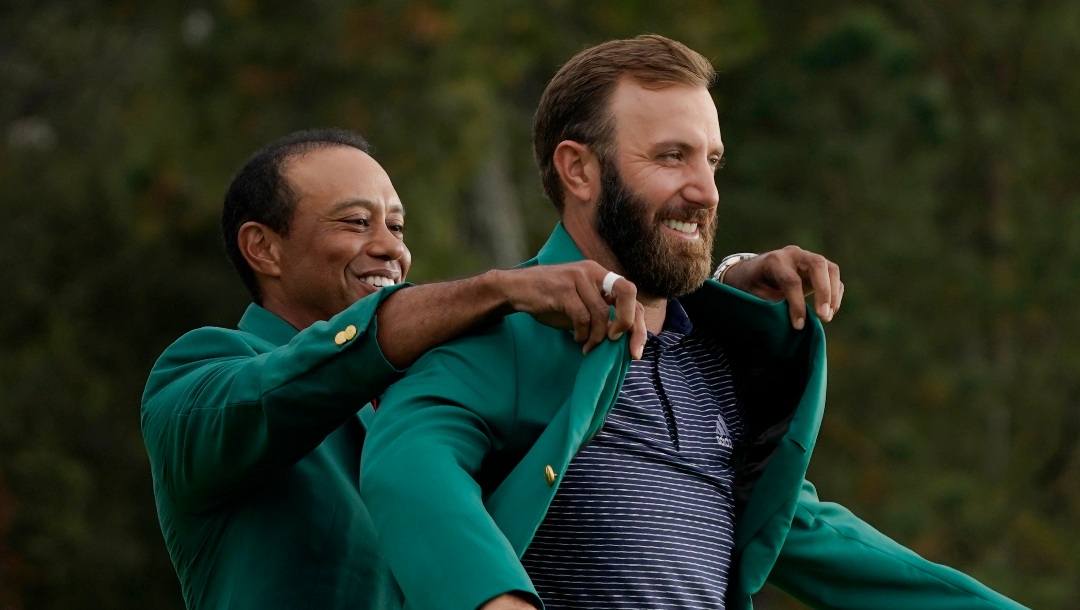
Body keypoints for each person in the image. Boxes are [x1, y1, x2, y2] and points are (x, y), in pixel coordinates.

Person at [359, 35, 1027, 610]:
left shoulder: (715, 358)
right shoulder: (501, 335)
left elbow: (809, 533)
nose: (705, 191)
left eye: (712, 161)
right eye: (671, 157)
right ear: (579, 170)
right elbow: (405, 468)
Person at [140, 128, 839, 610]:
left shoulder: (441, 390)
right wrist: (497, 289)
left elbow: (624, 450)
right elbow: (283, 390)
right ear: (263, 248)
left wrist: (720, 296)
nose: (390, 250)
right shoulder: (203, 373)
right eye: (356, 224)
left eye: (398, 226)